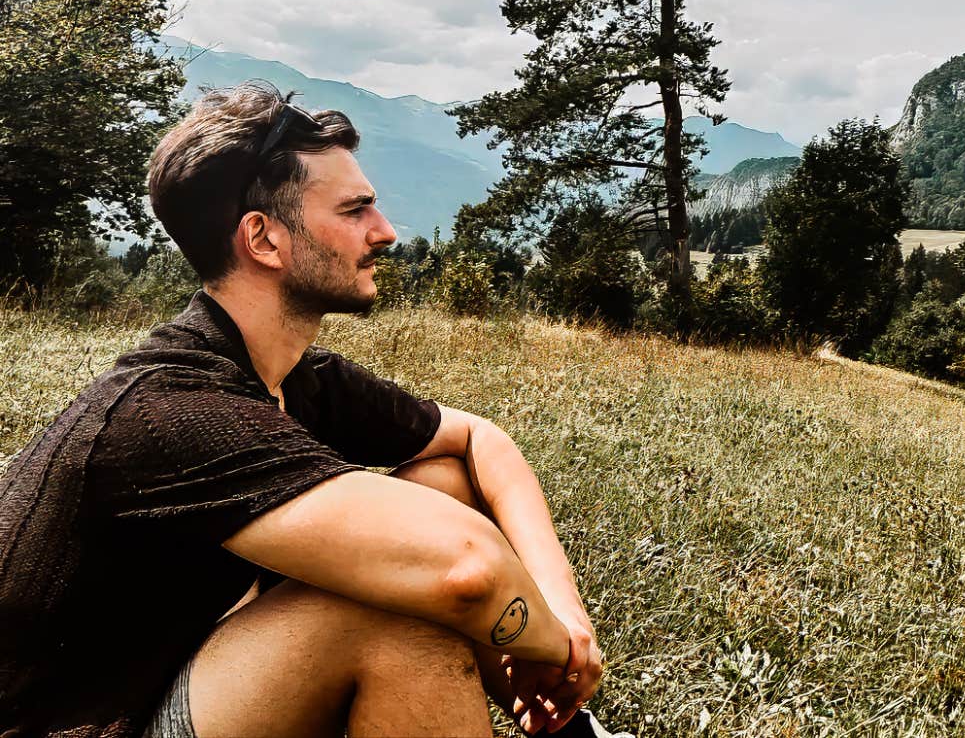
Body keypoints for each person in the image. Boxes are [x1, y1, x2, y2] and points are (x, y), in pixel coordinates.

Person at [0, 82, 619, 737]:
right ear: (263, 239)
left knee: (442, 480)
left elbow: (477, 443)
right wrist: (560, 651)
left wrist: (563, 610)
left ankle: (577, 733)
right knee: (391, 616)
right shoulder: (172, 412)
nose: (385, 233)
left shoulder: (293, 374)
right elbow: (466, 569)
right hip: (87, 723)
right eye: (355, 211)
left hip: (179, 673)